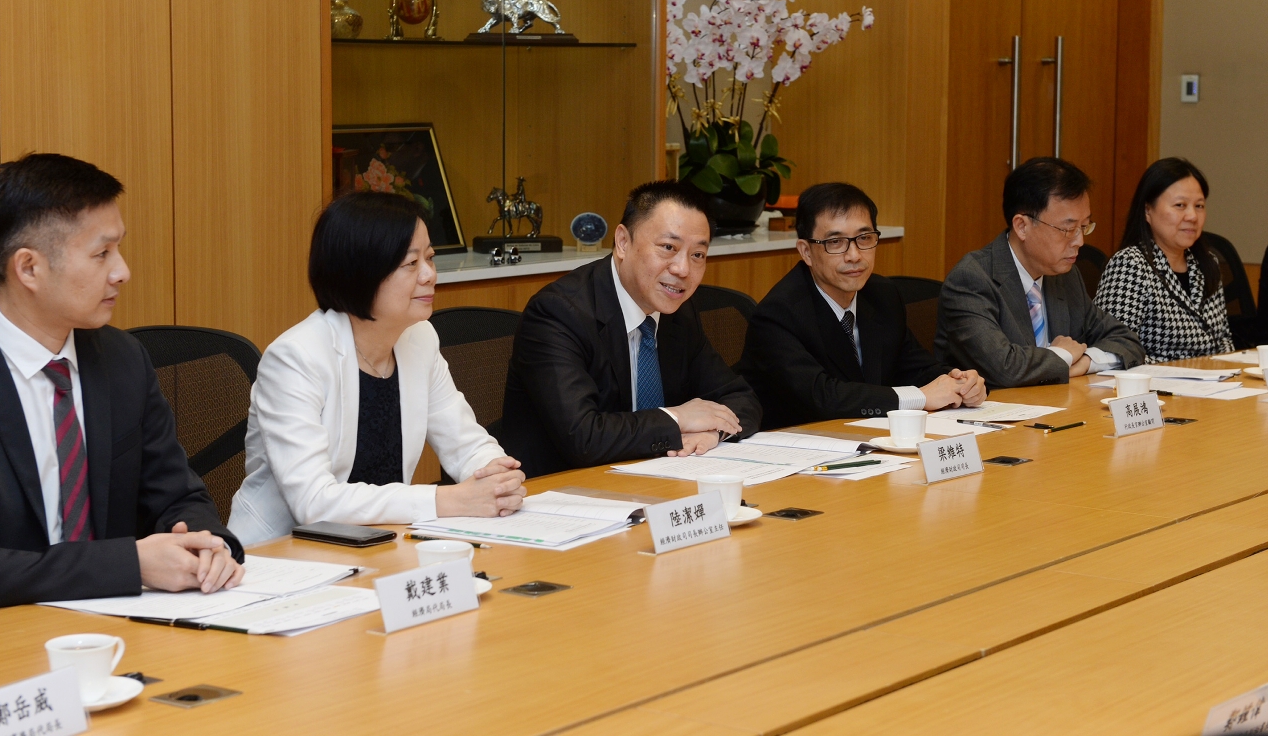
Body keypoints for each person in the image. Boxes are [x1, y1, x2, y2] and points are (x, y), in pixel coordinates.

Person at [0, 154, 244, 609]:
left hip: (121, 625)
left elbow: (177, 495)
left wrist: (206, 544)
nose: (122, 271)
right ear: (28, 268)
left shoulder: (122, 359)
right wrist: (127, 564)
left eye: (118, 249)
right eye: (101, 254)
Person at [228, 192, 526, 545]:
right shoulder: (295, 358)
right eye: (411, 263)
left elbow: (465, 442)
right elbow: (314, 502)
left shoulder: (419, 338)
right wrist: (448, 500)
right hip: (282, 552)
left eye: (430, 258)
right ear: (361, 273)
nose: (429, 274)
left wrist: (496, 476)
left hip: (379, 544)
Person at [499, 180, 761, 478]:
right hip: (561, 487)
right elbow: (583, 437)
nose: (683, 270)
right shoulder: (558, 313)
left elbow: (742, 398)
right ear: (623, 242)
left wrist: (712, 433)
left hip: (655, 478)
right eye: (668, 248)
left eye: (697, 255)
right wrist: (677, 418)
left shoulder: (678, 310)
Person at [738, 183, 986, 429]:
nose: (854, 255)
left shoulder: (882, 295)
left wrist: (960, 382)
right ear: (806, 252)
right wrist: (920, 397)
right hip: (800, 441)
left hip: (868, 435)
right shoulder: (778, 314)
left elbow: (917, 369)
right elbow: (824, 397)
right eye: (836, 242)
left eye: (864, 238)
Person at [935, 157, 1144, 387]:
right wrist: (1062, 355)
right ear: (1022, 226)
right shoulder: (972, 279)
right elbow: (1005, 367)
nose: (1080, 241)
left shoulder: (1066, 276)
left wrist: (1085, 362)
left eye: (1084, 227)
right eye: (1068, 229)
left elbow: (1127, 342)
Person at [1093, 158, 1233, 362]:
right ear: (1147, 210)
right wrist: (1185, 372)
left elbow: (1223, 339)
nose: (1192, 216)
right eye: (1180, 205)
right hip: (1155, 381)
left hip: (1214, 379)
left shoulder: (1207, 263)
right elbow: (1113, 351)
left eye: (1199, 206)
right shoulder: (1130, 264)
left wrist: (1227, 368)